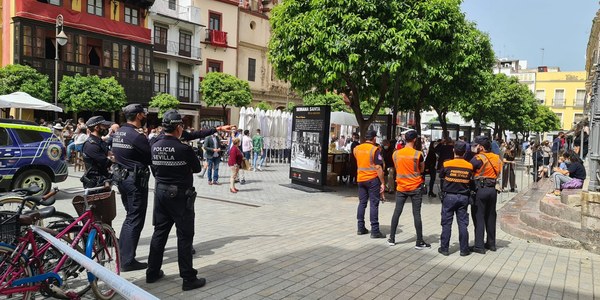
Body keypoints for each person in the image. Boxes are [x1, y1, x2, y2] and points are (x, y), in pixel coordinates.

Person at [146, 110, 206, 291]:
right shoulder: (184, 148)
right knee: (185, 236)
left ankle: (152, 272)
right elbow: (196, 168)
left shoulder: (154, 145)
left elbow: (154, 169)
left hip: (161, 193)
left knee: (160, 233)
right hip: (180, 196)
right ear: (179, 127)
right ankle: (188, 278)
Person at [112, 103, 152, 272]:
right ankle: (127, 260)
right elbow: (150, 157)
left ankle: (123, 255)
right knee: (135, 219)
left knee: (130, 217)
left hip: (122, 178)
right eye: (143, 114)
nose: (144, 116)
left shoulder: (119, 132)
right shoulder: (137, 136)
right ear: (138, 116)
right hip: (135, 181)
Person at [387, 130, 430, 249]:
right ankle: (419, 241)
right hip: (415, 187)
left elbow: (396, 168)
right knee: (416, 214)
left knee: (397, 212)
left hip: (401, 187)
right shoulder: (418, 154)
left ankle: (392, 238)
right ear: (415, 140)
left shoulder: (395, 154)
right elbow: (421, 170)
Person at [438, 141, 473, 256]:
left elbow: (441, 175)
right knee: (463, 224)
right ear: (465, 152)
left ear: (453, 150)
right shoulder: (469, 166)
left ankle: (444, 249)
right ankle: (464, 249)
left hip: (449, 197)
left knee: (446, 223)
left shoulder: (447, 164)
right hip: (463, 197)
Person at [469, 136, 502, 254]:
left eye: (475, 145)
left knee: (479, 216)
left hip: (480, 190)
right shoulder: (497, 158)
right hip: (492, 190)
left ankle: (479, 245)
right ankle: (491, 244)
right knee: (491, 216)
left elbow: (469, 170)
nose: (474, 147)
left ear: (481, 147)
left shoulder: (478, 158)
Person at [354, 130, 386, 239]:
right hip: (372, 180)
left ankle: (360, 227)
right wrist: (382, 182)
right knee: (374, 204)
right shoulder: (374, 149)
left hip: (360, 179)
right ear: (374, 138)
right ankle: (375, 231)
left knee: (362, 203)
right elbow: (378, 167)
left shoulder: (357, 149)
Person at [81, 116, 113, 189]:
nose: (106, 128)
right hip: (94, 183)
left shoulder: (99, 142)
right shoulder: (91, 145)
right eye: (104, 126)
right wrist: (110, 158)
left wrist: (110, 157)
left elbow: (110, 154)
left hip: (103, 179)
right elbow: (106, 162)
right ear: (97, 128)